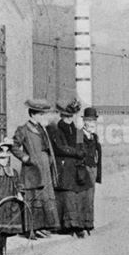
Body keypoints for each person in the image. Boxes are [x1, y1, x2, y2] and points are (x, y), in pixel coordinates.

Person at [12, 99, 61, 238]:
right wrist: (25, 158)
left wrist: (50, 160)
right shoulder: (23, 129)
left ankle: (42, 226)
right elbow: (14, 146)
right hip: (32, 169)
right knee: (33, 198)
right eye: (40, 114)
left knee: (45, 197)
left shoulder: (42, 129)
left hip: (44, 168)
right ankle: (31, 229)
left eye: (43, 114)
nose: (42, 117)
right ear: (33, 114)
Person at [48, 99, 92, 238]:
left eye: (71, 115)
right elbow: (59, 148)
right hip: (64, 167)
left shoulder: (78, 131)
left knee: (81, 194)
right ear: (61, 115)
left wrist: (80, 152)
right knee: (67, 195)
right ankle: (66, 225)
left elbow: (81, 147)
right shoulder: (55, 129)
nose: (69, 118)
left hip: (77, 167)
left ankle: (79, 224)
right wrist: (76, 152)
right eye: (66, 116)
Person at [80, 107, 102, 236]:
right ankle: (82, 224)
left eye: (94, 120)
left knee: (91, 197)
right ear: (84, 122)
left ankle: (89, 223)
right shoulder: (79, 135)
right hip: (83, 168)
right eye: (89, 120)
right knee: (83, 197)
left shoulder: (95, 137)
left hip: (93, 168)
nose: (92, 123)